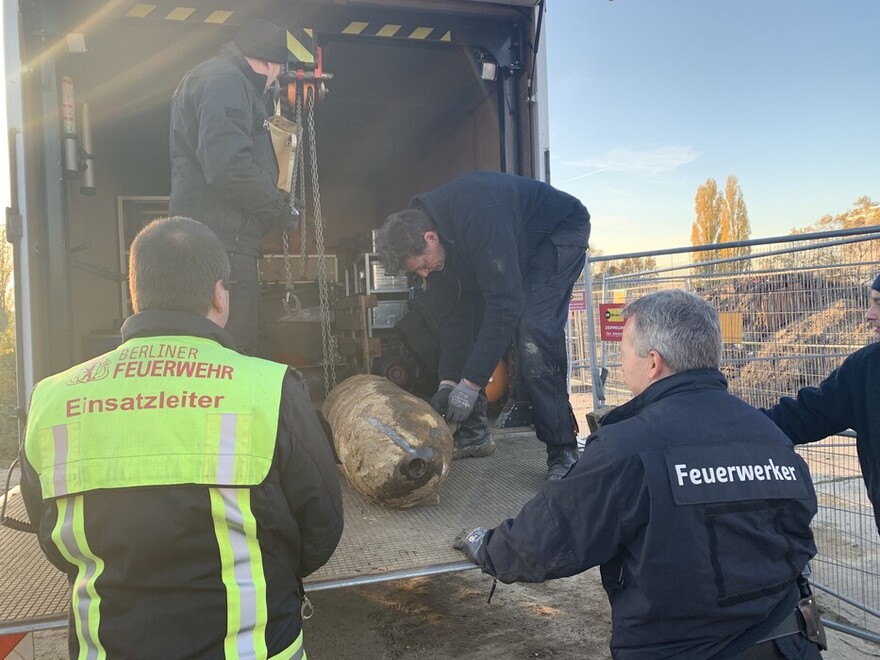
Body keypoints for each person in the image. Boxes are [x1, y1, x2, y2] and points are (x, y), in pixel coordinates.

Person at [20, 217, 343, 659]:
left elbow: (51, 532)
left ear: (135, 293)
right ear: (218, 293)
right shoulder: (268, 389)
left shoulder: (53, 398)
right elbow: (322, 524)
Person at [454, 289, 824, 658]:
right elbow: (797, 531)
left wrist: (486, 545)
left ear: (653, 362)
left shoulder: (627, 446)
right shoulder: (770, 436)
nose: (619, 365)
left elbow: (548, 538)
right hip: (788, 644)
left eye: (623, 353)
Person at [376, 171, 590, 479]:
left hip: (556, 234)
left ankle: (562, 451)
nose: (424, 274)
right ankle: (474, 432)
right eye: (417, 271)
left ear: (430, 238)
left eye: (423, 265)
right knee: (463, 316)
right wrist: (448, 382)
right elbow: (455, 321)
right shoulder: (435, 245)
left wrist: (472, 384)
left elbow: (506, 303)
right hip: (510, 242)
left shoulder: (479, 214)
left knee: (533, 329)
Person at [170, 18, 300, 356]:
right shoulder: (227, 82)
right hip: (222, 244)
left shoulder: (219, 79)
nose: (275, 81)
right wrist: (279, 207)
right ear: (269, 63)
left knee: (246, 344)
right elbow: (229, 167)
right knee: (235, 353)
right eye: (278, 72)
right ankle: (232, 414)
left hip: (224, 242)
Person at [763, 273, 880, 536]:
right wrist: (727, 419)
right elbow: (804, 416)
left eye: (879, 303)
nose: (869, 314)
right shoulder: (866, 369)